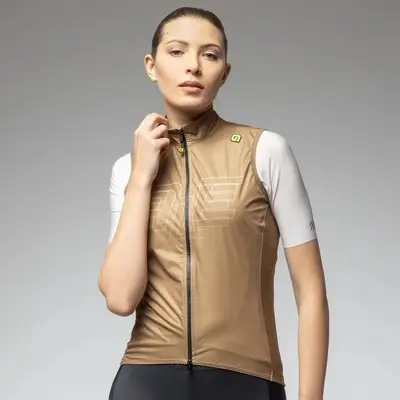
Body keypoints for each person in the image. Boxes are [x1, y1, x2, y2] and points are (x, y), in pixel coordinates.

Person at [98, 6, 329, 400]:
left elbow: (311, 294)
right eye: (177, 51)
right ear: (151, 66)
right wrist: (141, 179)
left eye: (209, 54)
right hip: (145, 383)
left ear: (224, 72)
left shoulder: (265, 151)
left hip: (247, 380)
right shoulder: (129, 170)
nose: (193, 65)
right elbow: (120, 298)